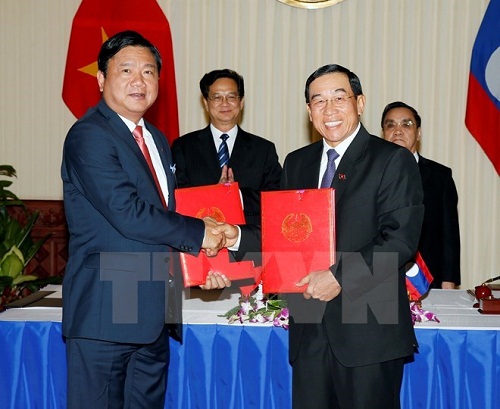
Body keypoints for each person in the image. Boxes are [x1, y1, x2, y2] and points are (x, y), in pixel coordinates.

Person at [217, 64, 424, 409]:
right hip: (310, 329)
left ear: (360, 103)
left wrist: (338, 277)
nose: (329, 110)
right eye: (318, 101)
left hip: (368, 333)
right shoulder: (297, 162)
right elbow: (281, 234)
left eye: (339, 98)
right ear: (308, 110)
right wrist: (235, 236)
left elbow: (399, 242)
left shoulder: (392, 160)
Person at [61, 30, 230, 409]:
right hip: (107, 314)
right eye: (126, 70)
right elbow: (128, 214)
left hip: (153, 312)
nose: (139, 81)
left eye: (149, 72)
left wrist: (203, 266)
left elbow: (164, 217)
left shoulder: (155, 136)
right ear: (102, 79)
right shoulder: (89, 136)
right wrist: (202, 232)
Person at [171, 68, 282, 226]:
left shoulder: (263, 149)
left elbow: (276, 197)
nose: (225, 103)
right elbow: (178, 195)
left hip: (248, 241)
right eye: (217, 97)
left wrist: (236, 195)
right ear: (206, 103)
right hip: (201, 236)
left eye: (231, 96)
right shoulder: (183, 146)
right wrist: (215, 194)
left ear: (241, 102)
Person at [381, 101, 461, 289]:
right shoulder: (369, 175)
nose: (398, 130)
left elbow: (449, 233)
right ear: (383, 133)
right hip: (380, 278)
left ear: (418, 133)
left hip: (428, 279)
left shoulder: (440, 176)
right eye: (390, 125)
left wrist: (448, 282)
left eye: (406, 124)